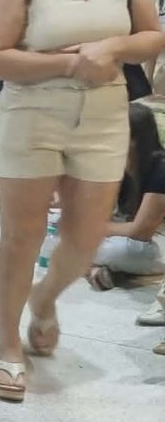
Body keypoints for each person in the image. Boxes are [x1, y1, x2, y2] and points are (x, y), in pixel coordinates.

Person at [0, 0, 165, 402]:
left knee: (85, 238)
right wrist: (68, 63)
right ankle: (8, 345)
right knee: (21, 237)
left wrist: (112, 48)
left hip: (103, 114)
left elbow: (153, 35)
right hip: (32, 114)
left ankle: (44, 299)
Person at [87, 102, 165, 294]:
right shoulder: (117, 163)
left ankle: (91, 268)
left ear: (135, 139)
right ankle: (96, 271)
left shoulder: (161, 170)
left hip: (149, 245)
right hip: (123, 236)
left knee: (118, 252)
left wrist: (98, 229)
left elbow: (140, 231)